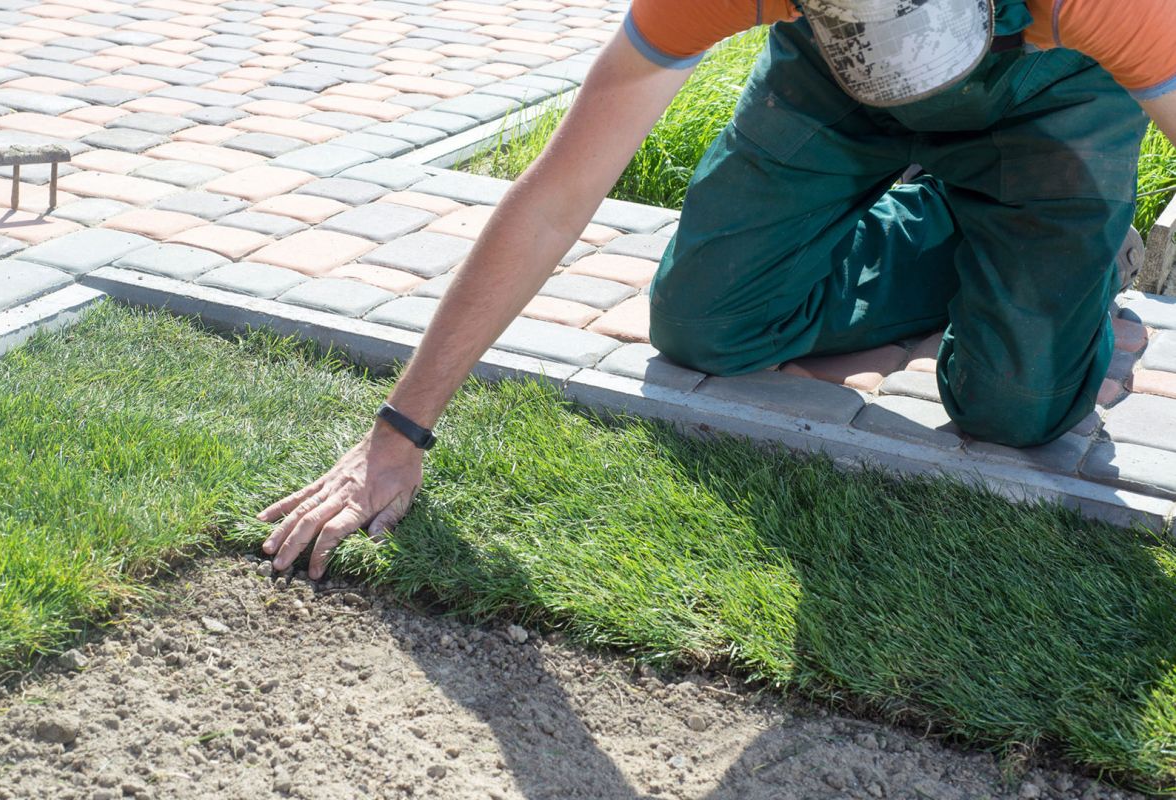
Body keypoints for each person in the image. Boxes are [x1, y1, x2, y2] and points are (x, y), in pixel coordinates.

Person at [260, 0, 1176, 579]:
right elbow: (558, 194)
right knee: (709, 325)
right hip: (827, 82)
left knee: (1014, 411)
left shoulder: (1113, 3)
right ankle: (982, 241)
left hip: (1054, 98)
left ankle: (1068, 274)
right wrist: (401, 429)